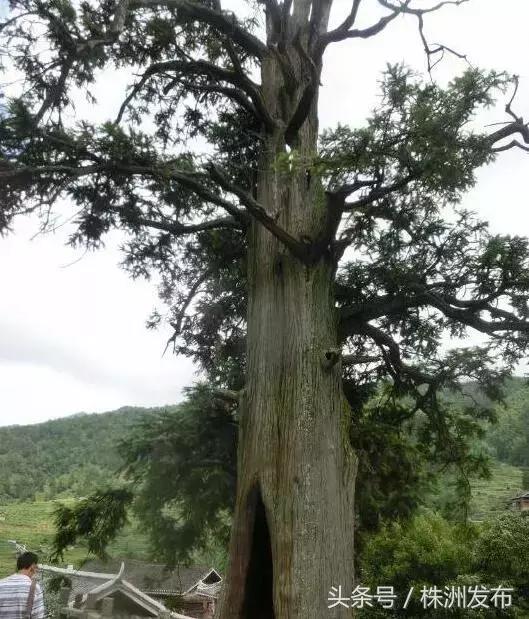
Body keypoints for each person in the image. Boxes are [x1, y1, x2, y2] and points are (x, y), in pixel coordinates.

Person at [0, 551, 45, 618]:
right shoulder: (35, 588)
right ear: (32, 566)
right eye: (36, 567)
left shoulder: (1, 584)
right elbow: (38, 617)